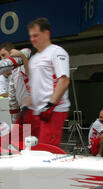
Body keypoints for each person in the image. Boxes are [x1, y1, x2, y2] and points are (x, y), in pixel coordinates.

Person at [12, 18, 71, 147]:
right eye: (31, 36)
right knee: (17, 142)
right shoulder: (34, 59)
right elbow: (33, 87)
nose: (32, 39)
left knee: (46, 149)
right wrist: (25, 109)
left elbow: (64, 80)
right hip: (35, 111)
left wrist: (50, 105)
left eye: (36, 35)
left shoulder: (57, 52)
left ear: (46, 34)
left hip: (53, 111)